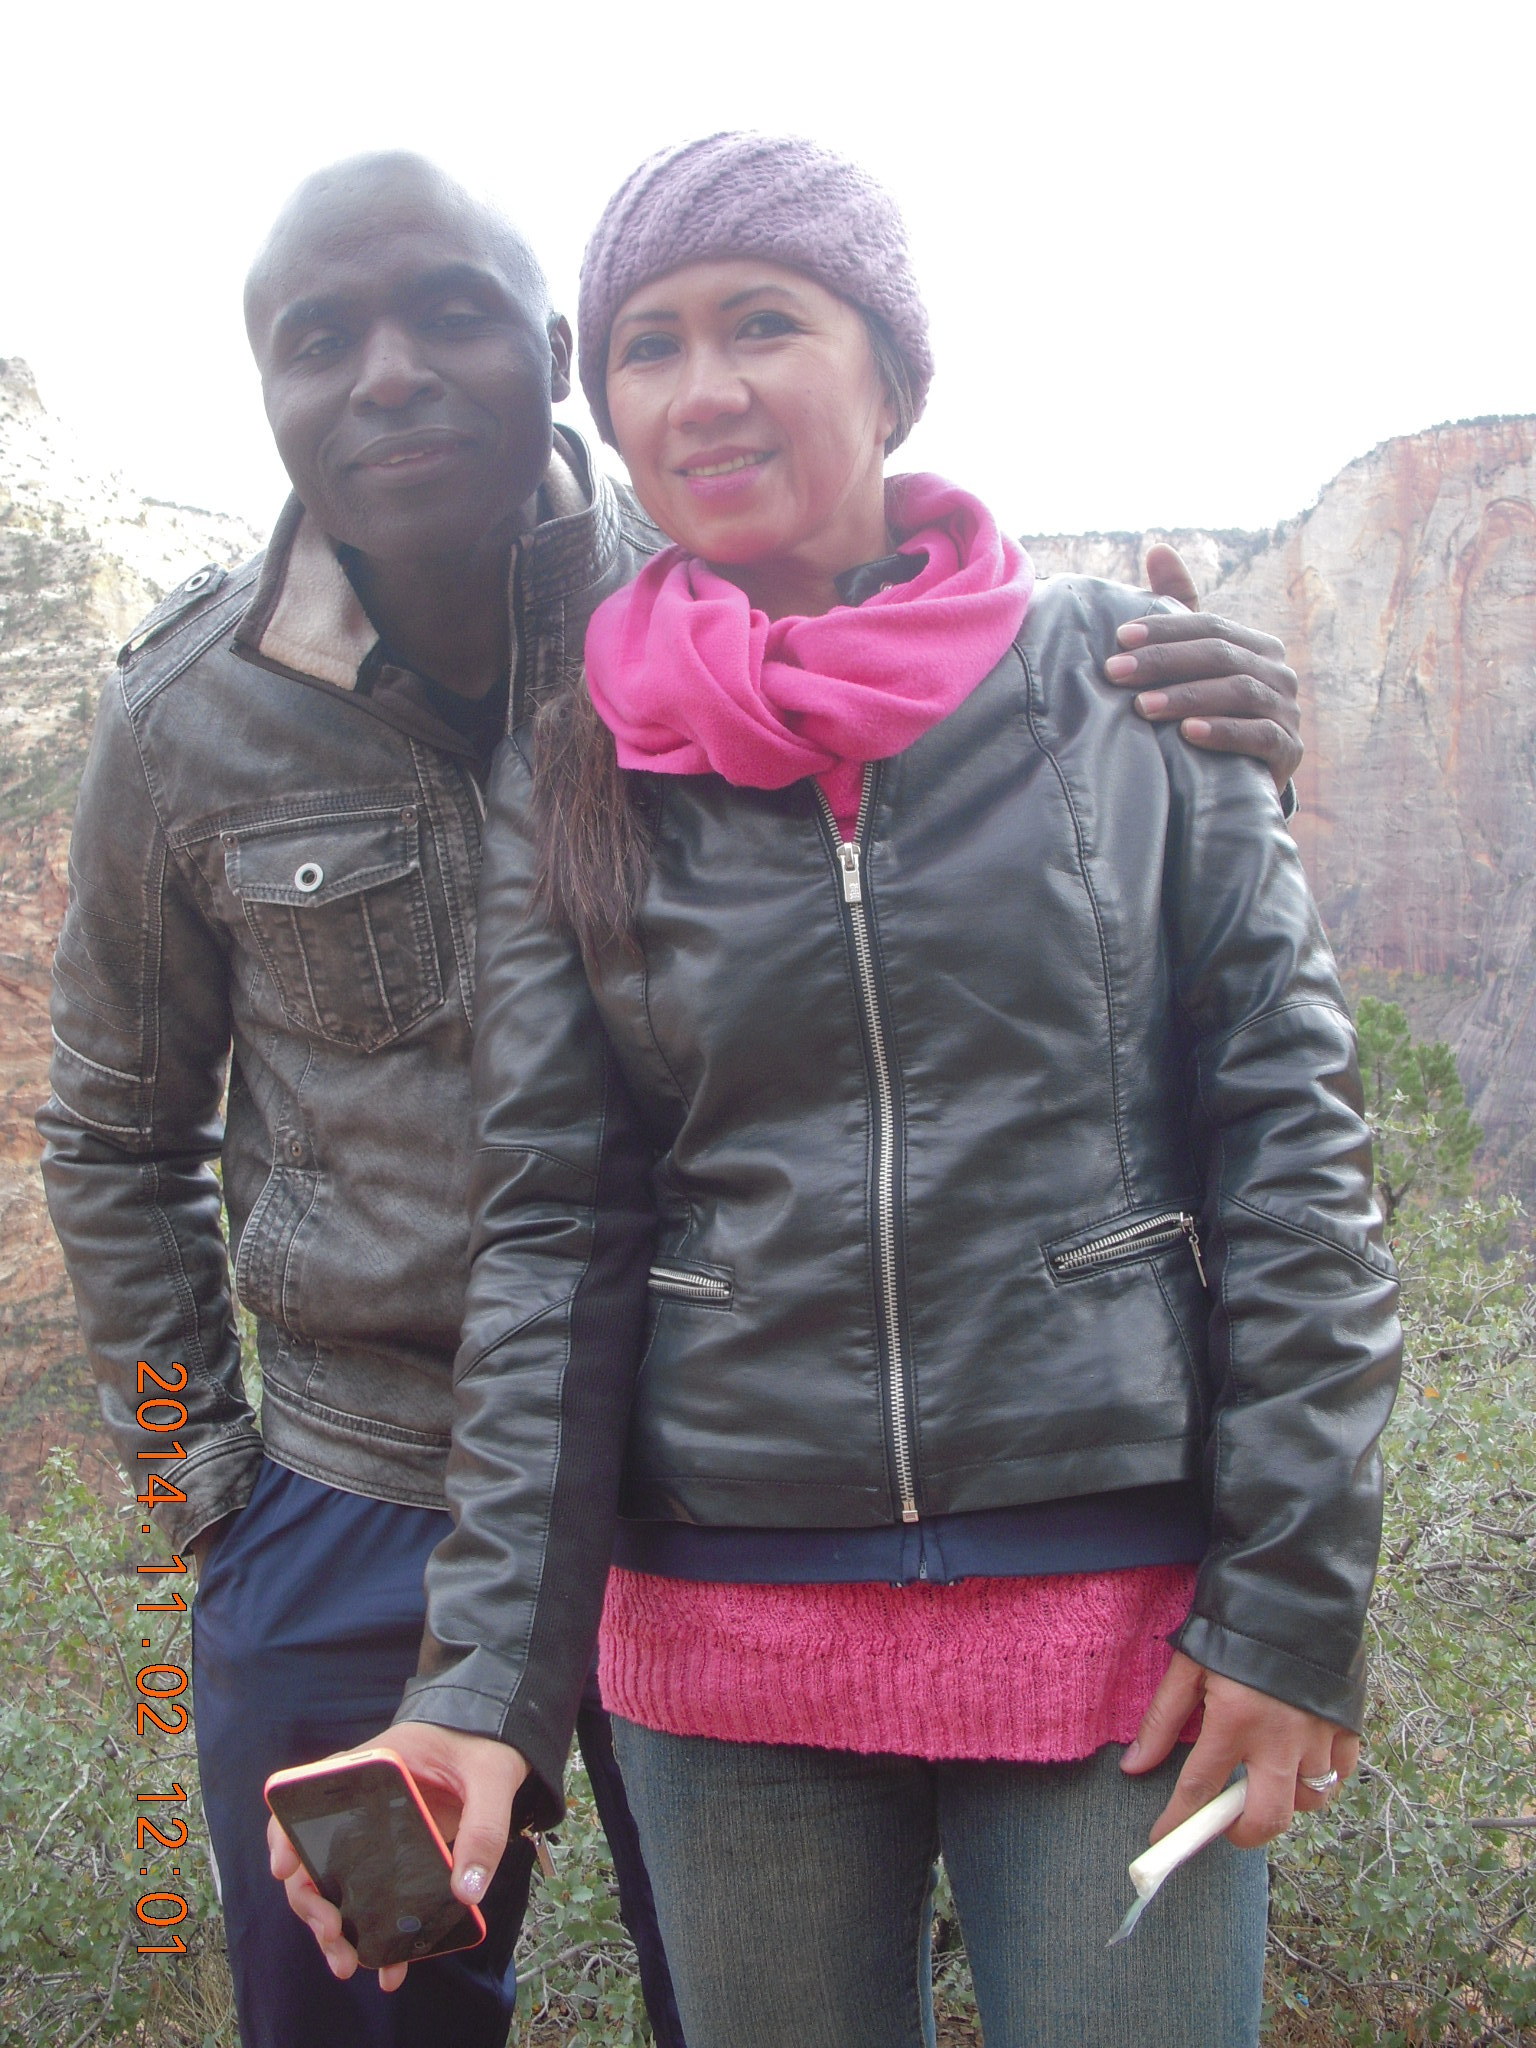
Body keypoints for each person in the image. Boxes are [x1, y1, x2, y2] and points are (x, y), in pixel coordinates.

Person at [41, 145, 1300, 2048]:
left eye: (451, 315)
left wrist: (1226, 749)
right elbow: (113, 1132)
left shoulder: (731, 598)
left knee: (737, 1997)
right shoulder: (186, 715)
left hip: (700, 1497)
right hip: (351, 1501)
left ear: (551, 356)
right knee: (360, 2007)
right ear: (265, 387)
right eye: (319, 339)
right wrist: (203, 1494)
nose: (389, 375)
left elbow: (1035, 916)